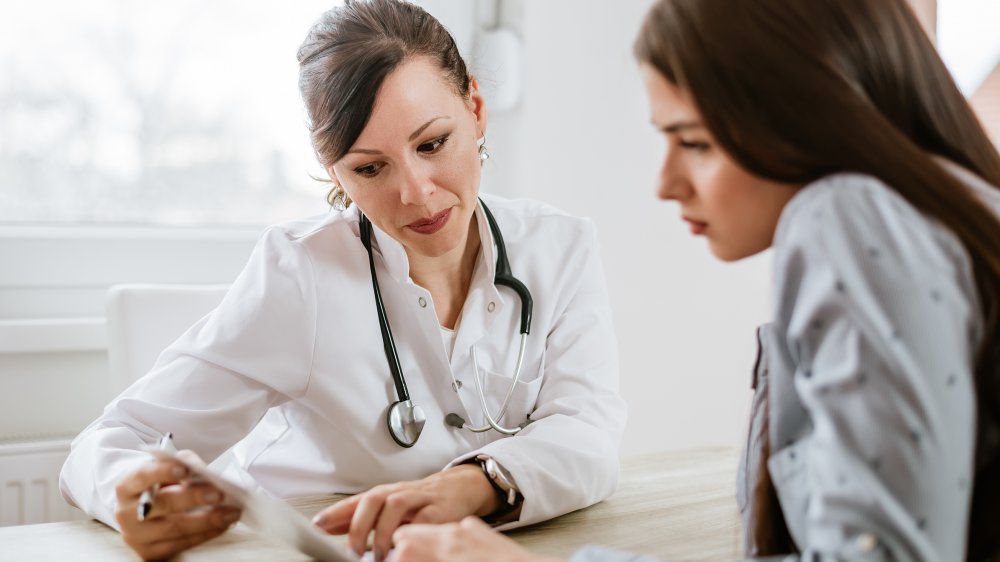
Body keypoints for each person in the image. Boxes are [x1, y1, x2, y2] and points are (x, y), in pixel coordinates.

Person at [389, 0, 1000, 561]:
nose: (666, 182)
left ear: (811, 113)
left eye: (695, 142)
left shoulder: (846, 216)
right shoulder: (946, 210)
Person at [58, 1, 626, 560]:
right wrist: (131, 496)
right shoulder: (299, 273)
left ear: (475, 108)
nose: (417, 192)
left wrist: (470, 486)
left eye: (432, 144)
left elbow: (590, 432)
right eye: (369, 168)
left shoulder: (560, 247)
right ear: (333, 170)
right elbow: (110, 442)